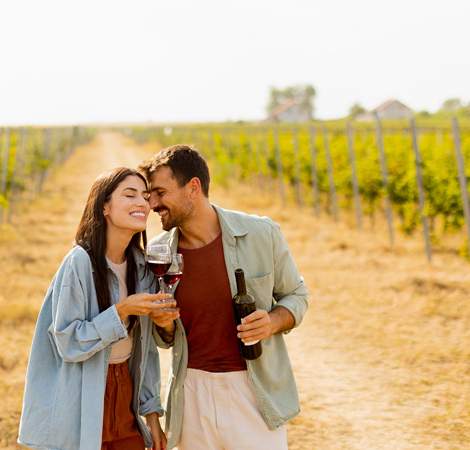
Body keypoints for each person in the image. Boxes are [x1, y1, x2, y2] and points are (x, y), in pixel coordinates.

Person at [138, 145, 309, 449]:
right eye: (150, 195)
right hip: (191, 395)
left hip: (254, 392)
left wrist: (271, 322)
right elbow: (164, 340)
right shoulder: (158, 253)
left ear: (193, 188)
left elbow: (296, 295)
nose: (152, 204)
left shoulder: (261, 233)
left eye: (160, 193)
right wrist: (163, 325)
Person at [18, 167, 175, 450]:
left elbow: (146, 351)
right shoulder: (79, 262)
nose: (142, 203)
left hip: (125, 392)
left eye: (145, 196)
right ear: (104, 206)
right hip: (83, 394)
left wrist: (151, 413)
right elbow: (67, 341)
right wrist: (121, 311)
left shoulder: (142, 266)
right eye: (130, 195)